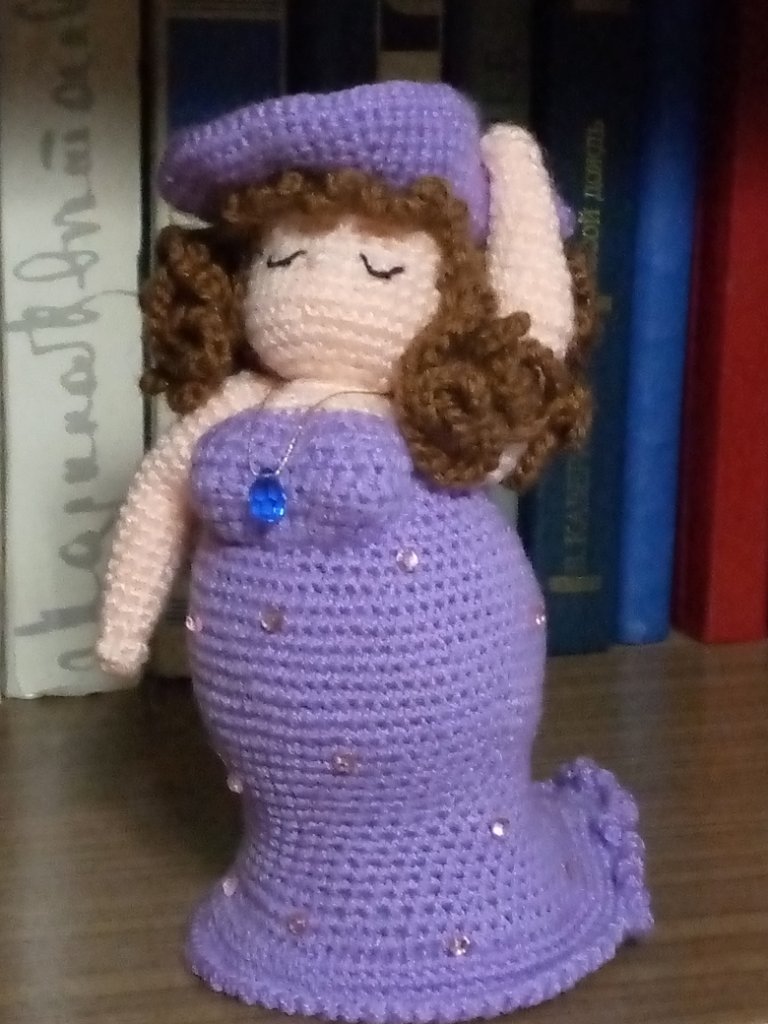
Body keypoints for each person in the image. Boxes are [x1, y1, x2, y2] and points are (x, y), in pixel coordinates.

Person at [97, 81, 650, 1022]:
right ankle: (303, 900)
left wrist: (513, 172)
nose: (317, 287)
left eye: (380, 268)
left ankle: (469, 898)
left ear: (450, 292)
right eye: (285, 257)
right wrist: (123, 626)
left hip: (462, 735)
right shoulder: (237, 409)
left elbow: (535, 335)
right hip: (275, 781)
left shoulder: (442, 420)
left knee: (452, 789)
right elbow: (160, 492)